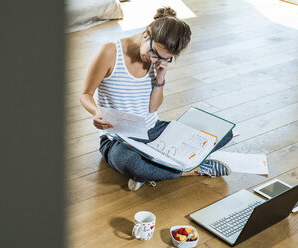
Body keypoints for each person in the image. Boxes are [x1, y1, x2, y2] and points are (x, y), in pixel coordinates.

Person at [80, 7, 233, 191]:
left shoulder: (158, 61)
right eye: (154, 53)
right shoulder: (110, 52)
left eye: (164, 58)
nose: (154, 60)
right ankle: (193, 169)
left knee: (224, 133)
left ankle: (155, 170)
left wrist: (160, 79)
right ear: (148, 33)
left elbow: (153, 109)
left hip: (153, 130)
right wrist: (97, 112)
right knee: (134, 165)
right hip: (118, 139)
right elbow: (85, 94)